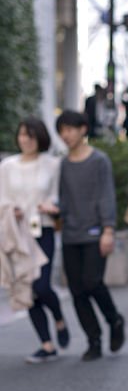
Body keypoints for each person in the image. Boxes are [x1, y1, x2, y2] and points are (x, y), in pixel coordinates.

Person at [56, 109, 125, 361]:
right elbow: (63, 199)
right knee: (77, 291)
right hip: (71, 234)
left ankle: (114, 320)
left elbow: (106, 195)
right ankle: (93, 339)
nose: (66, 135)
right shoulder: (63, 164)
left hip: (96, 232)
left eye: (70, 129)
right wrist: (54, 211)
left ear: (83, 129)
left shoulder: (99, 161)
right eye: (62, 130)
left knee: (92, 282)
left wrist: (108, 229)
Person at [0, 116, 70, 362]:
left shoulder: (53, 164)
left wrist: (54, 206)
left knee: (41, 286)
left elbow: (60, 196)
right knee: (27, 288)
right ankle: (46, 344)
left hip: (44, 231)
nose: (25, 140)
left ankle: (59, 318)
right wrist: (11, 209)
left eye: (30, 136)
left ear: (39, 137)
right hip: (18, 234)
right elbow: (2, 198)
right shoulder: (7, 166)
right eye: (21, 135)